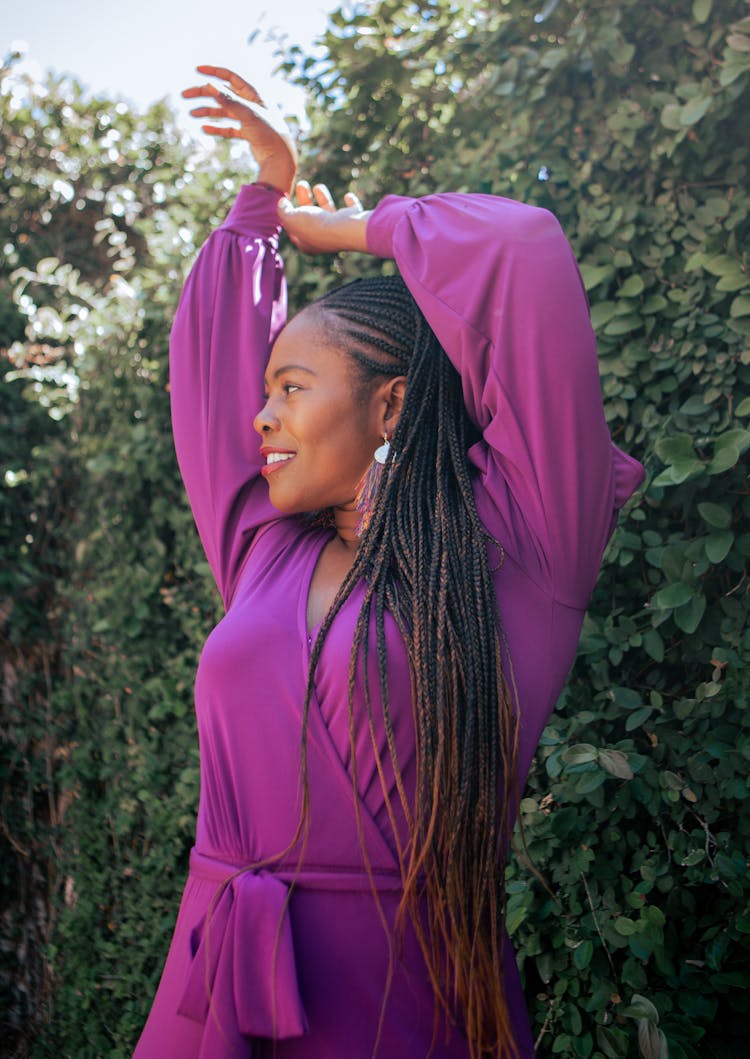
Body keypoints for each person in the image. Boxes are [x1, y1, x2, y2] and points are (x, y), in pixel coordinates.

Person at [132, 65, 644, 1059]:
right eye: (267, 387)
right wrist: (264, 206)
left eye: (292, 386)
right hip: (208, 996)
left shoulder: (522, 546)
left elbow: (521, 249)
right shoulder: (262, 547)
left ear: (393, 406)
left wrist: (357, 230)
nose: (262, 412)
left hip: (406, 1007)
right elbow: (205, 377)